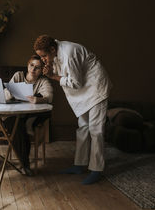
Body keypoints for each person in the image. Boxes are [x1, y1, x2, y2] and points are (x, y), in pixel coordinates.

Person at [34, 35, 112, 185]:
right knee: (83, 128)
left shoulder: (69, 53)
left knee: (96, 130)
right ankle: (79, 165)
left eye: (44, 56)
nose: (43, 59)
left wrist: (52, 75)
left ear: (52, 49)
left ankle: (96, 170)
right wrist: (50, 67)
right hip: (84, 91)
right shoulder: (55, 51)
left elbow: (75, 82)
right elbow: (63, 73)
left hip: (96, 89)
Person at [4, 54, 53, 176]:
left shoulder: (43, 81)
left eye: (37, 67)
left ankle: (29, 123)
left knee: (48, 110)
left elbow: (50, 97)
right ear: (27, 65)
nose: (33, 69)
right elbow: (5, 93)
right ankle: (25, 165)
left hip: (29, 114)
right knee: (19, 128)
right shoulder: (18, 76)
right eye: (32, 65)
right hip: (13, 114)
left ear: (42, 70)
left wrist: (38, 100)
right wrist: (10, 93)